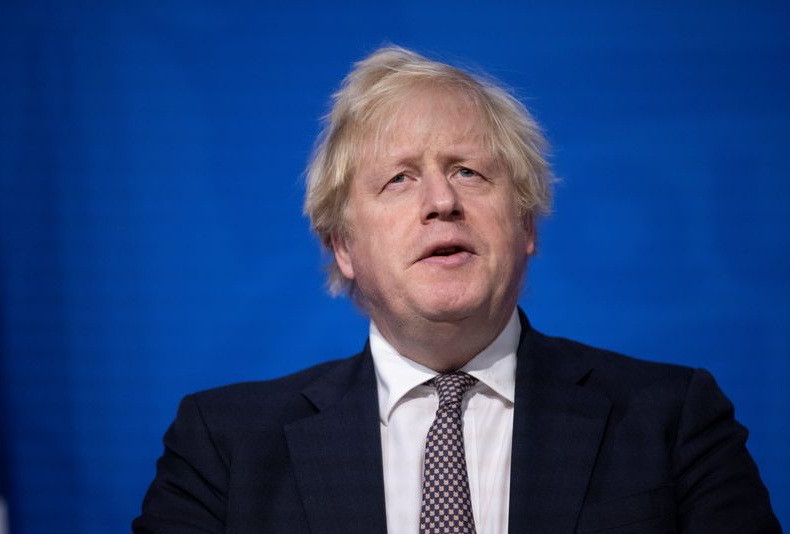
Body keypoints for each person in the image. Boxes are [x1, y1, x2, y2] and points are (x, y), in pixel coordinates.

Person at [133, 46, 779, 534]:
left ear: (525, 222)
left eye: (469, 172)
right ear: (342, 246)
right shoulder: (225, 445)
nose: (442, 201)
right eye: (400, 180)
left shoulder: (672, 420)